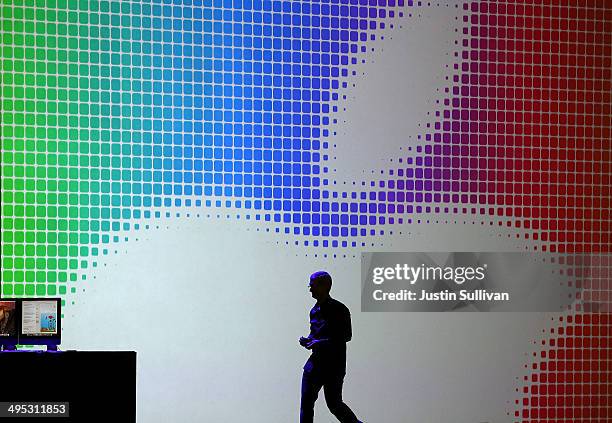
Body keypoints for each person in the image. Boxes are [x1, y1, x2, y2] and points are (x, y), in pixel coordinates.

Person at [299, 271, 363, 423]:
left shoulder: (340, 309)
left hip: (333, 366)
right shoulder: (314, 311)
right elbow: (316, 334)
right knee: (306, 404)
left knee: (334, 404)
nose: (310, 290)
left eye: (313, 286)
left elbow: (347, 336)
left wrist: (320, 343)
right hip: (314, 365)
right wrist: (309, 340)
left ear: (325, 286)